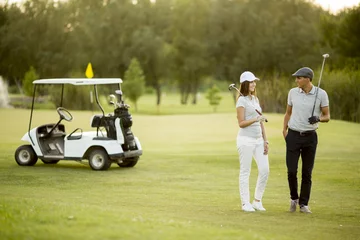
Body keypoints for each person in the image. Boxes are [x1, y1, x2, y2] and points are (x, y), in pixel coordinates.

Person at [283, 67, 330, 213]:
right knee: (291, 171)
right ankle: (293, 198)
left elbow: (327, 116)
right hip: (293, 135)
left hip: (310, 137)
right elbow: (288, 113)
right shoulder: (292, 92)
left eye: (299, 77)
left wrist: (318, 119)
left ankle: (303, 204)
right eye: (296, 78)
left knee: (307, 172)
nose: (296, 80)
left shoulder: (321, 94)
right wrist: (284, 130)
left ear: (308, 79)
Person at [236, 71, 269, 212]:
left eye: (254, 82)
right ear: (245, 84)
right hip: (245, 140)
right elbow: (241, 123)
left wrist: (266, 140)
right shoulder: (241, 101)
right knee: (245, 172)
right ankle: (245, 203)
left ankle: (257, 201)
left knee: (265, 170)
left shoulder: (255, 99)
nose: (254, 84)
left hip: (259, 140)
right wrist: (255, 119)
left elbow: (261, 120)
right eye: (251, 82)